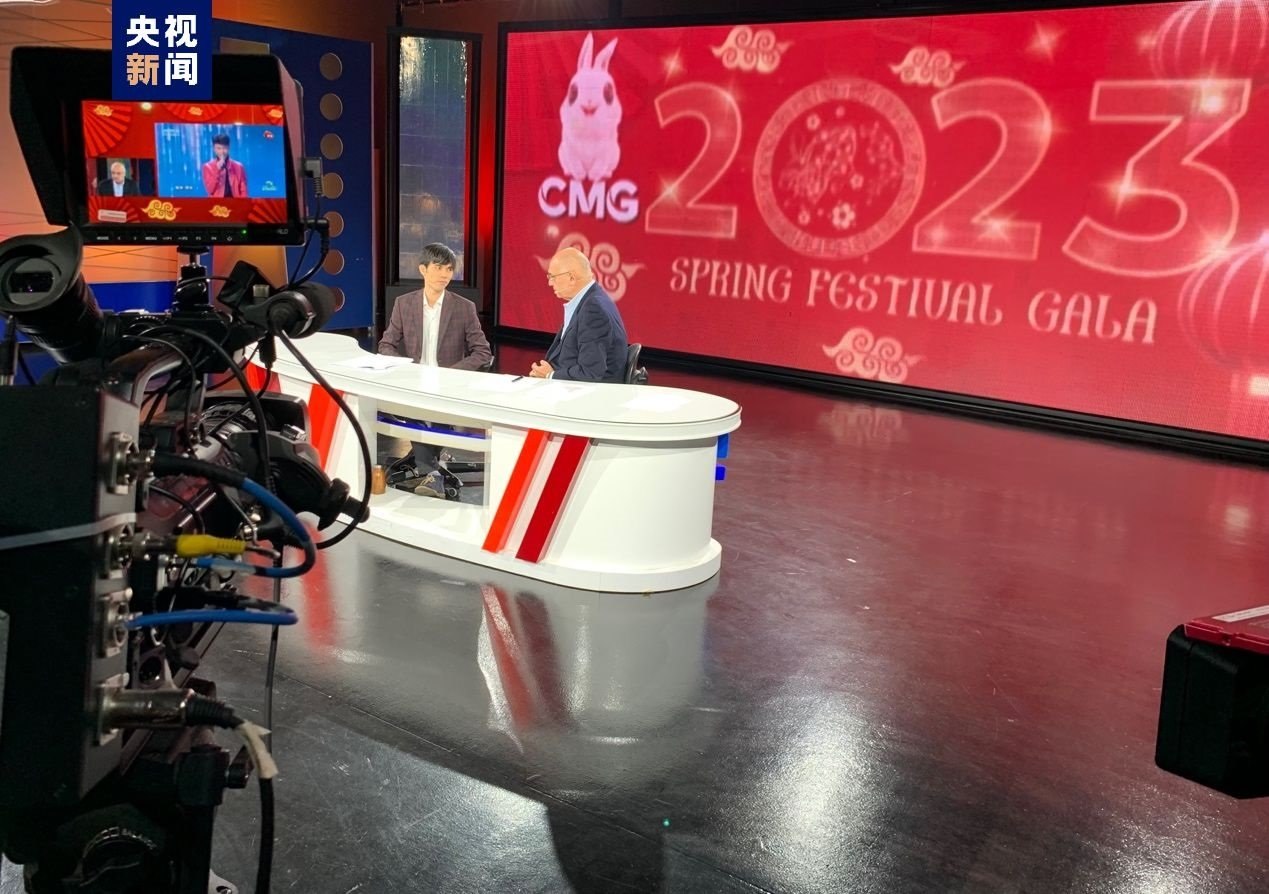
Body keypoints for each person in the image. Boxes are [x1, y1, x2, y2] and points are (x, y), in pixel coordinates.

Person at [378, 243, 492, 496]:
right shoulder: (404, 304)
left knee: (432, 413)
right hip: (413, 382)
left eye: (449, 269)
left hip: (447, 385)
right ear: (423, 269)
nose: (444, 274)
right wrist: (407, 370)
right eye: (438, 267)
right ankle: (431, 471)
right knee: (415, 405)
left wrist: (450, 374)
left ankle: (428, 470)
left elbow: (483, 352)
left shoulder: (463, 307)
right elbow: (386, 345)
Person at [530, 247, 627, 382]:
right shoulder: (591, 299)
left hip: (585, 392)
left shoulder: (593, 311)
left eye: (553, 277)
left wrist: (550, 375)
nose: (550, 283)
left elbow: (590, 373)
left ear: (571, 278)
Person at [201, 134, 247, 198]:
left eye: (225, 148)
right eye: (218, 148)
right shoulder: (207, 167)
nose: (222, 152)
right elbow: (210, 190)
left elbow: (243, 191)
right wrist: (217, 170)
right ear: (214, 149)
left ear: (229, 148)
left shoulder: (239, 167)